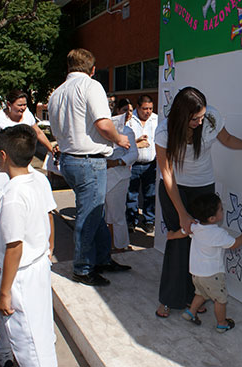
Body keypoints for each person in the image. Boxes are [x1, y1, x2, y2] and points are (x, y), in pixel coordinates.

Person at [154, 86, 242, 317]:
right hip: (174, 188)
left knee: (201, 243)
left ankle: (193, 296)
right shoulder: (164, 131)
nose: (200, 121)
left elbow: (226, 138)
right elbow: (168, 174)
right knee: (180, 240)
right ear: (182, 115)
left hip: (203, 187)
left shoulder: (211, 117)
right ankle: (168, 299)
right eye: (195, 118)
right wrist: (182, 213)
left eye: (202, 116)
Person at [48, 48, 132, 287]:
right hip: (88, 160)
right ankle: (83, 268)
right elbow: (103, 124)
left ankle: (103, 259)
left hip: (69, 159)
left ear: (68, 68)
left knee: (95, 214)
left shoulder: (57, 93)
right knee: (89, 216)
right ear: (92, 70)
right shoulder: (91, 86)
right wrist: (119, 139)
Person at [0, 125, 57, 367]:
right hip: (37, 265)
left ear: (3, 156)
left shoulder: (13, 196)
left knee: (29, 343)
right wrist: (49, 250)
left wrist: (5, 292)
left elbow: (14, 247)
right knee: (40, 333)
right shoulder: (38, 180)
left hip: (21, 274)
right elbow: (49, 218)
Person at [182, 193, 242, 332]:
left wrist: (172, 235)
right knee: (220, 300)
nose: (223, 210)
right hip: (212, 274)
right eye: (221, 209)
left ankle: (191, 312)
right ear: (212, 218)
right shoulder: (218, 233)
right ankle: (222, 323)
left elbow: (184, 231)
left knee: (201, 293)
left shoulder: (196, 226)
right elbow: (235, 244)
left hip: (196, 273)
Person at [106, 99, 138, 252]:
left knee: (117, 214)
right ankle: (110, 243)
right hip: (103, 176)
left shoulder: (128, 131)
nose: (128, 114)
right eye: (124, 110)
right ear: (117, 111)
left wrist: (117, 162)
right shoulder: (103, 130)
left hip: (119, 177)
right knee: (108, 215)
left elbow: (133, 154)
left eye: (130, 110)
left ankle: (121, 246)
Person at [0, 89, 55, 156]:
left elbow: (38, 132)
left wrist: (52, 150)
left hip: (24, 157)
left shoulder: (27, 113)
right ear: (9, 104)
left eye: (25, 105)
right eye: (19, 105)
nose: (23, 108)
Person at [126, 94, 158, 233]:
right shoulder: (129, 120)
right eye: (145, 108)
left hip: (151, 164)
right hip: (133, 164)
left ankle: (149, 220)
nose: (148, 112)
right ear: (137, 107)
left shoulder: (157, 119)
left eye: (150, 108)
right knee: (131, 194)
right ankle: (131, 220)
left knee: (149, 194)